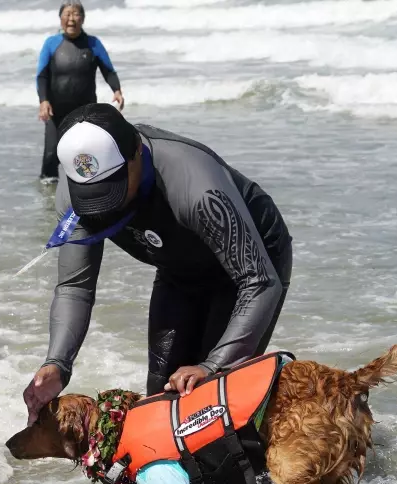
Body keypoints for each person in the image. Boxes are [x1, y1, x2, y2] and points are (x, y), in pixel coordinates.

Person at [22, 103, 292, 424]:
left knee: (212, 402)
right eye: (90, 194)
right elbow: (75, 287)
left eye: (112, 188)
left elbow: (260, 282)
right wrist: (57, 364)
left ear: (136, 150)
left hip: (250, 271)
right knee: (159, 403)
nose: (103, 206)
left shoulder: (196, 189)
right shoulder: (75, 187)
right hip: (179, 270)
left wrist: (211, 366)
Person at [36, 2, 123, 182]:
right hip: (56, 112)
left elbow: (108, 70)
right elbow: (42, 76)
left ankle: (85, 188)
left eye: (76, 14)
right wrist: (43, 100)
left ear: (82, 18)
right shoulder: (51, 43)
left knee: (85, 155)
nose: (71, 19)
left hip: (85, 112)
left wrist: (117, 90)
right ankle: (48, 197)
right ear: (60, 18)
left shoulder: (93, 44)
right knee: (51, 155)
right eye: (67, 14)